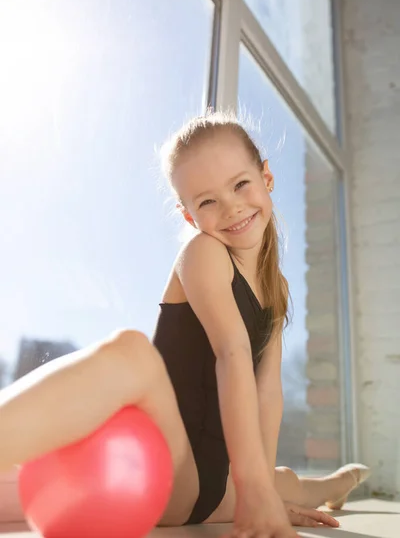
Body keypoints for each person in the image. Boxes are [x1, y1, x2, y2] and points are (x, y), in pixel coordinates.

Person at [0, 112, 370, 538]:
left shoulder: (276, 287)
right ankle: (314, 482)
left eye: (240, 184)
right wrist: (253, 487)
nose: (231, 206)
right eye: (208, 201)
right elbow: (231, 354)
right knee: (133, 351)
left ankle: (343, 481)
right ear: (190, 216)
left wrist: (262, 491)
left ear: (266, 176)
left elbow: (269, 392)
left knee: (295, 485)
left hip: (215, 485)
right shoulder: (203, 254)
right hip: (170, 470)